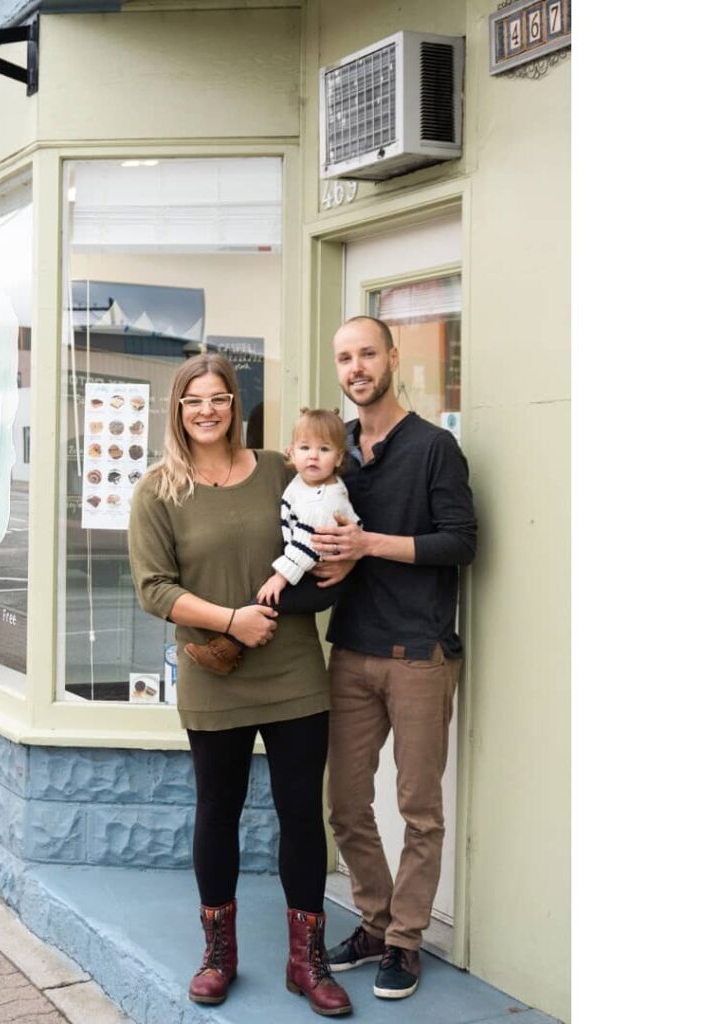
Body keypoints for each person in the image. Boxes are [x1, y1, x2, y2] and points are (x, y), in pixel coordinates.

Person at [128, 354, 352, 1016]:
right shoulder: (158, 491)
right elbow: (154, 589)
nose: (206, 410)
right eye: (193, 400)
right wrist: (232, 619)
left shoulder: (280, 471)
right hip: (213, 672)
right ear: (178, 408)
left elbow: (324, 535)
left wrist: (340, 561)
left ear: (235, 403)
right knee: (217, 812)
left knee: (299, 815)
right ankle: (218, 954)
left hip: (292, 673)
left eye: (218, 398)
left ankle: (305, 961)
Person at [310, 315, 477, 1001]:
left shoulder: (436, 448)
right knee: (346, 806)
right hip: (350, 648)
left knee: (418, 809)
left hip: (418, 654)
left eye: (367, 354)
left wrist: (371, 544)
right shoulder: (339, 449)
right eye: (345, 357)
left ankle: (406, 942)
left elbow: (460, 543)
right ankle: (374, 922)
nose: (356, 368)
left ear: (393, 358)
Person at [183, 407, 360, 675]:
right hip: (311, 565)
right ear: (291, 452)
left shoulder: (322, 500)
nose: (313, 455)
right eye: (304, 447)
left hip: (320, 578)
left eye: (324, 449)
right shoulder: (304, 482)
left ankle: (223, 651)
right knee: (266, 600)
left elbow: (304, 547)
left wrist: (280, 577)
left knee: (268, 600)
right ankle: (229, 648)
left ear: (338, 458)